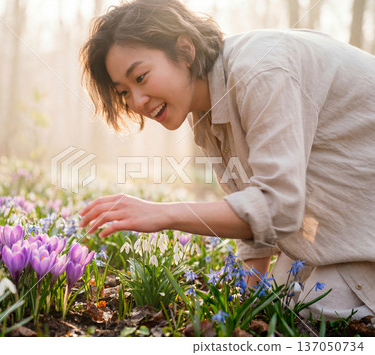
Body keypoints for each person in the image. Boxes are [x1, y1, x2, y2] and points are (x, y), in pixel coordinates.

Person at [78, 0, 375, 321]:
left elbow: (278, 207)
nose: (137, 101)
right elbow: (253, 212)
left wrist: (162, 214)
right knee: (273, 304)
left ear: (185, 51)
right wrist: (247, 304)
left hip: (361, 228)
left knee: (305, 313)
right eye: (123, 92)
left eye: (140, 78)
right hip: (343, 227)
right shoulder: (205, 113)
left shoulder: (259, 73)